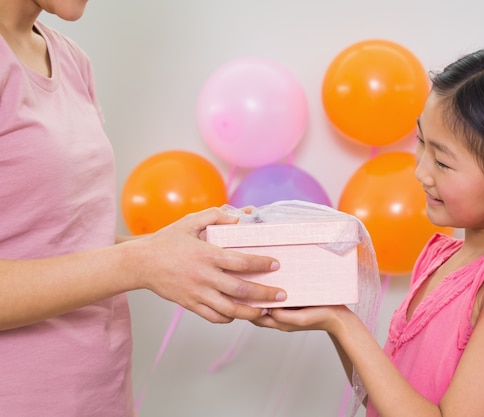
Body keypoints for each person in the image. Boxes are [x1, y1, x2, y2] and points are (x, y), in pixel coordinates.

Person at [253, 43, 484, 417]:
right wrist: (332, 313)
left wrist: (343, 323)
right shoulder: (441, 257)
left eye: (443, 162)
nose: (420, 171)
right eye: (421, 142)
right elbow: (388, 400)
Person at [0, 1, 287, 416]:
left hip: (100, 392)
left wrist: (181, 252)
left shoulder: (70, 59)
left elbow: (61, 239)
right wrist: (142, 263)